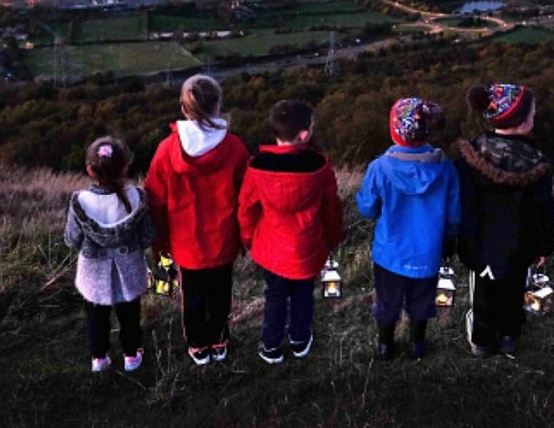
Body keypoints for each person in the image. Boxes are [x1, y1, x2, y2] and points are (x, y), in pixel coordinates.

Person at [145, 74, 249, 366]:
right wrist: (245, 236)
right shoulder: (235, 147)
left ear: (183, 107)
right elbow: (246, 196)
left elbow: (155, 199)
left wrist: (161, 241)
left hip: (185, 243)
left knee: (191, 297)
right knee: (220, 295)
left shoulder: (167, 149)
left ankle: (197, 345)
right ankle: (218, 339)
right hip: (223, 240)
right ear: (218, 106)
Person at [454, 83, 554, 359]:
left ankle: (483, 342)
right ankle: (510, 336)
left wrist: (458, 238)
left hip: (480, 245)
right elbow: (543, 210)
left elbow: (461, 203)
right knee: (514, 292)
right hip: (519, 246)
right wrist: (545, 246)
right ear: (522, 121)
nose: (534, 117)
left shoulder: (468, 157)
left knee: (484, 295)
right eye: (532, 113)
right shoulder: (537, 164)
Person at [238, 100, 344, 364]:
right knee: (303, 295)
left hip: (271, 249)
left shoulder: (258, 166)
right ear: (305, 134)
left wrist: (249, 239)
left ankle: (271, 345)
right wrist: (333, 238)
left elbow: (247, 208)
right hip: (308, 247)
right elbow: (331, 207)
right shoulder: (319, 166)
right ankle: (299, 339)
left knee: (274, 296)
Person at [355, 97, 461, 360]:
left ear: (394, 129)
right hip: (428, 252)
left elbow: (367, 208)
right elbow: (454, 213)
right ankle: (418, 344)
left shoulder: (379, 167)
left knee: (387, 301)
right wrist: (449, 238)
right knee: (422, 301)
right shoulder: (445, 168)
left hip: (390, 253)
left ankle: (385, 345)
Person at [64, 136, 155, 373]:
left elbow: (72, 239)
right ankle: (132, 356)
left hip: (93, 272)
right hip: (130, 268)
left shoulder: (80, 201)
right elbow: (147, 237)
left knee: (96, 318)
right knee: (130, 317)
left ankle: (99, 358)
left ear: (90, 170)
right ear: (126, 167)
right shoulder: (137, 197)